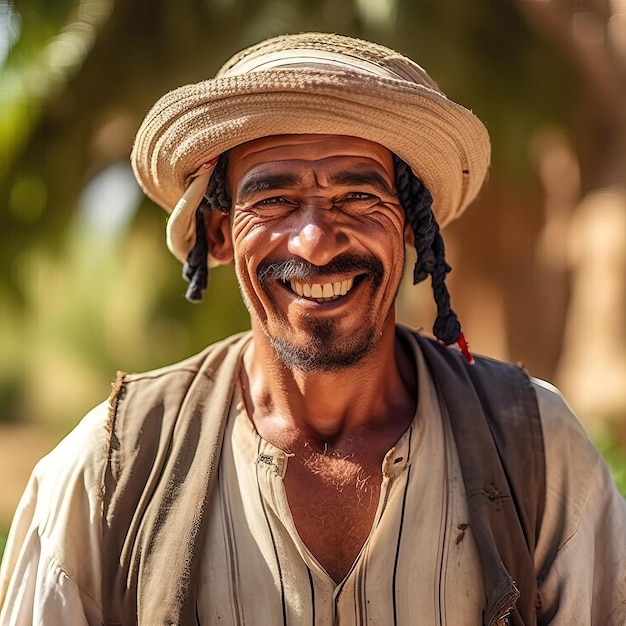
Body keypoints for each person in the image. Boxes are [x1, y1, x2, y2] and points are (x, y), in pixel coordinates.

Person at [0, 32, 624, 626]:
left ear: (411, 226)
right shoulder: (109, 469)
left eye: (358, 197)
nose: (317, 242)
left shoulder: (539, 450)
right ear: (219, 234)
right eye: (272, 201)